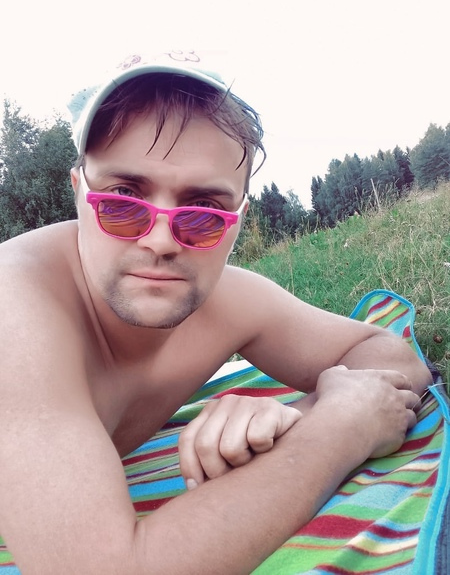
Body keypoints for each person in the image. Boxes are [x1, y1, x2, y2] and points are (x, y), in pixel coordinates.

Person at [0, 50, 431, 575]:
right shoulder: (15, 307)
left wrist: (298, 415)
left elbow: (390, 356)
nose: (161, 240)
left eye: (203, 211)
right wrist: (339, 429)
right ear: (78, 194)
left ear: (238, 220)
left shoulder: (229, 301)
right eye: (122, 199)